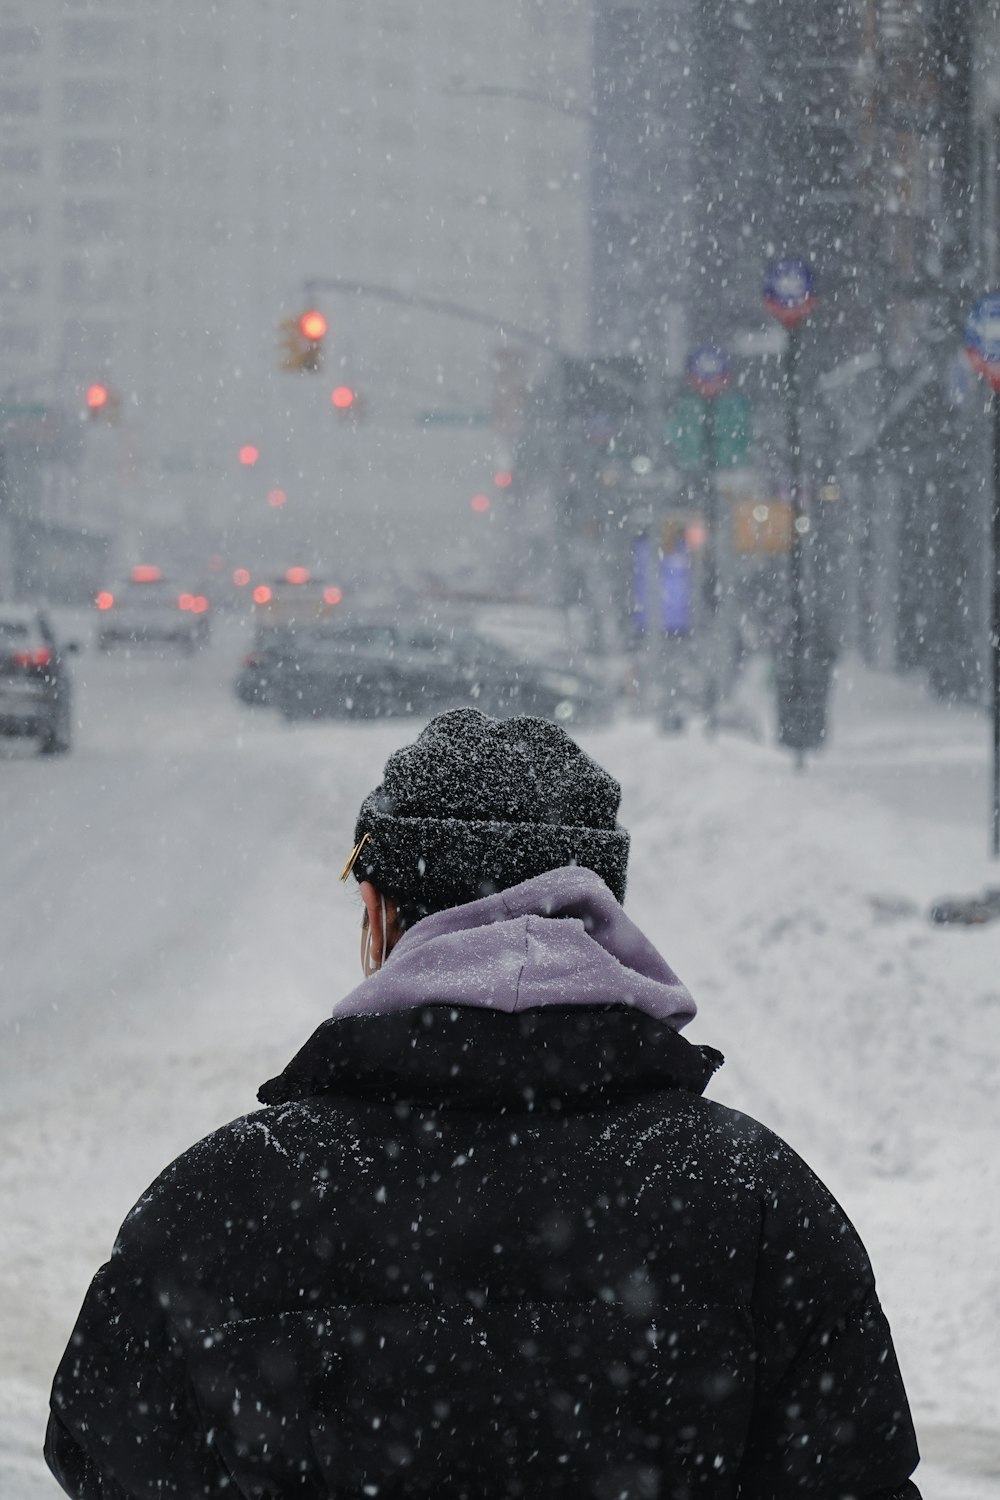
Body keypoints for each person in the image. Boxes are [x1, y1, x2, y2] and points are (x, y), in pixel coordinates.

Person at [46, 708, 922, 1499]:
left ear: (380, 913)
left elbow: (106, 1452)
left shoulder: (221, 1203)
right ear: (600, 913)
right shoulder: (756, 1200)